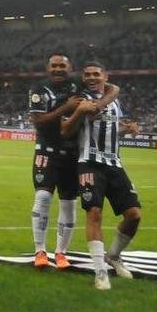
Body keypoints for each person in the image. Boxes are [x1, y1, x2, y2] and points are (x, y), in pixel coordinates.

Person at [27, 54, 118, 269]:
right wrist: (66, 107)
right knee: (43, 197)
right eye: (54, 65)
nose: (58, 69)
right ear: (47, 68)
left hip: (72, 152)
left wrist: (100, 104)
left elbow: (114, 88)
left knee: (68, 203)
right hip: (46, 149)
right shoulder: (39, 89)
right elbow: (38, 122)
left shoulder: (78, 83)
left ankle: (61, 253)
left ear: (70, 68)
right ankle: (40, 250)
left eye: (62, 65)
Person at [61, 62, 142, 290]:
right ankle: (100, 272)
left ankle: (113, 256)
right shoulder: (80, 99)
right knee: (94, 213)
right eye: (87, 74)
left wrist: (126, 130)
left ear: (105, 76)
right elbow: (65, 130)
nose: (91, 77)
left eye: (96, 74)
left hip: (114, 164)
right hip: (89, 163)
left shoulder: (114, 100)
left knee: (134, 215)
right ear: (83, 78)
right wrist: (79, 112)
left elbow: (109, 130)